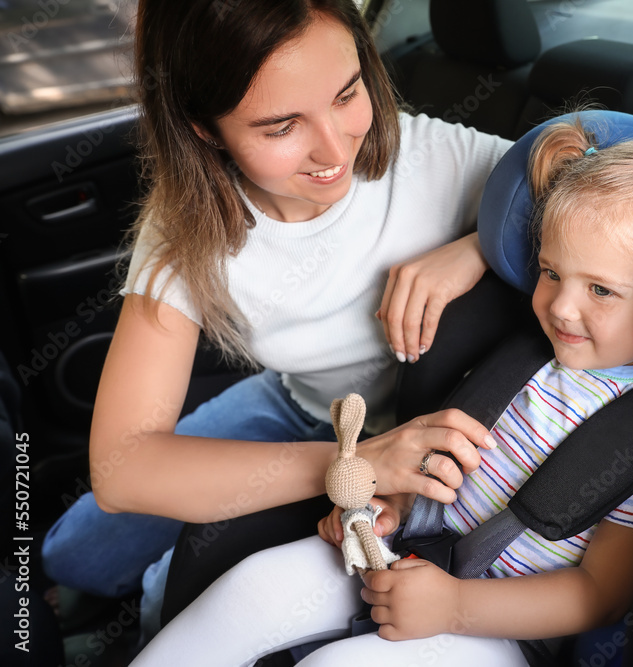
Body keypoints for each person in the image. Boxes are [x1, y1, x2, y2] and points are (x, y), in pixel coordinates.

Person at [130, 115, 633, 665]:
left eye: (601, 290)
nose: (561, 308)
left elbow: (599, 594)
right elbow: (442, 472)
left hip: (499, 630)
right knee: (253, 589)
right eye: (549, 272)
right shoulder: (522, 360)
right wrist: (393, 510)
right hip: (404, 556)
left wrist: (457, 606)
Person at [41, 0, 511, 646]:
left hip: (404, 428)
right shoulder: (187, 233)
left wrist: (484, 244)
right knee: (72, 554)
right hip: (301, 405)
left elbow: (628, 166)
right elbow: (123, 465)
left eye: (348, 93)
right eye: (281, 125)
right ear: (206, 129)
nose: (334, 148)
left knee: (170, 591)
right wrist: (350, 463)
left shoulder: (434, 159)